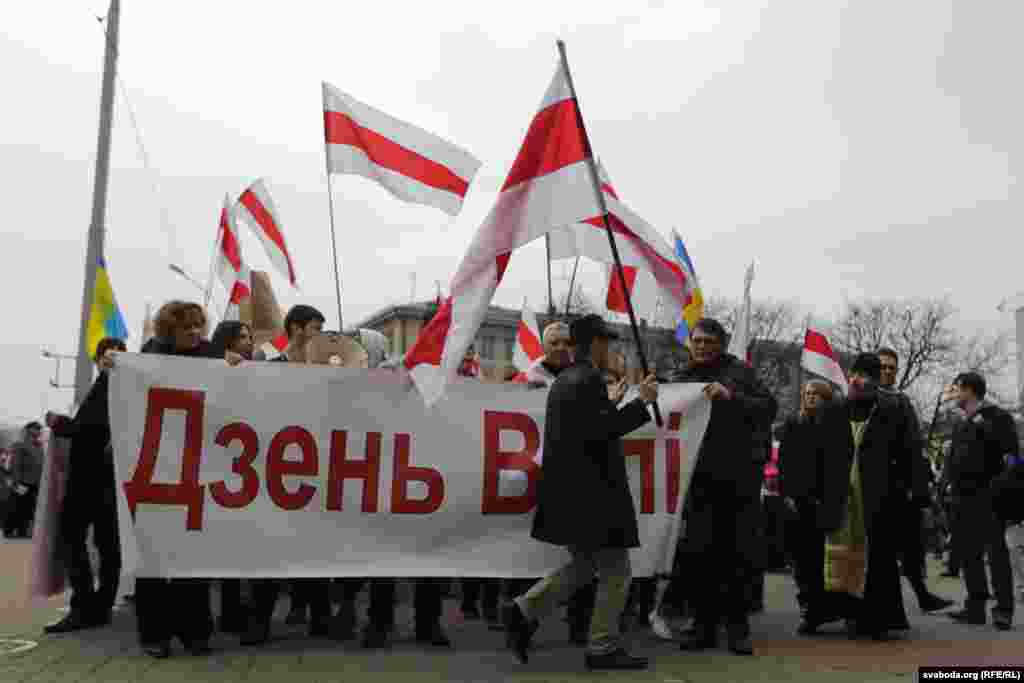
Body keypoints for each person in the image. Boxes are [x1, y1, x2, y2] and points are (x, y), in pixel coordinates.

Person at [502, 314, 659, 671]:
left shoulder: (570, 379)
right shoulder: (586, 379)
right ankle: (601, 647)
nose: (611, 349)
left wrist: (613, 404)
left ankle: (523, 610)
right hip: (593, 494)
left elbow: (588, 429)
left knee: (586, 566)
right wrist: (643, 402)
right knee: (616, 571)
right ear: (597, 343)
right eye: (608, 342)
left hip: (575, 493)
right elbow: (602, 432)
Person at [672, 318, 778, 656]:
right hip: (698, 479)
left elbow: (768, 407)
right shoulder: (683, 378)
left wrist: (730, 396)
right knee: (699, 554)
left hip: (737, 480)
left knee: (736, 555)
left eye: (709, 342)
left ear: (721, 344)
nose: (702, 347)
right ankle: (702, 626)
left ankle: (737, 628)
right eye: (697, 341)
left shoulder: (740, 373)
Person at [134, 301, 218, 658]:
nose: (196, 332)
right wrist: (111, 365)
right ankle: (155, 634)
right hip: (155, 471)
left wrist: (236, 367)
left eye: (199, 325)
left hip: (198, 468)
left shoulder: (213, 356)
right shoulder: (147, 358)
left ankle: (195, 632)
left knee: (193, 556)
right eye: (187, 327)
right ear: (169, 331)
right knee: (154, 556)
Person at [819, 352, 914, 641]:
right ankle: (848, 614)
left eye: (864, 376)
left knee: (879, 558)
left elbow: (908, 451)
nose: (857, 380)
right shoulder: (836, 408)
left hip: (879, 496)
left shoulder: (893, 409)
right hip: (842, 496)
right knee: (843, 555)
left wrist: (911, 491)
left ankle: (879, 619)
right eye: (855, 374)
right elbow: (821, 453)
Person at [43, 337, 126, 634]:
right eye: (108, 354)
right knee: (107, 544)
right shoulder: (113, 387)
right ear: (98, 359)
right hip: (106, 480)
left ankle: (85, 607)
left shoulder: (112, 386)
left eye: (118, 353)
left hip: (91, 480)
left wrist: (59, 423)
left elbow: (88, 430)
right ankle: (99, 606)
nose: (112, 358)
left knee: (76, 539)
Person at [877, 348, 952, 613]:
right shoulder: (866, 399)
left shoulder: (902, 400)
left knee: (911, 546)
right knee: (882, 550)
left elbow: (914, 446)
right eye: (883, 366)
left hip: (903, 487)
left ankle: (922, 596)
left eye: (892, 367)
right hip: (877, 486)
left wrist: (920, 487)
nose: (888, 371)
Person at [944, 371, 1018, 631]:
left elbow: (1012, 456)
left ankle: (1003, 610)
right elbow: (954, 459)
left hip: (989, 497)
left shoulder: (998, 417)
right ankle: (975, 607)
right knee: (968, 554)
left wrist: (1000, 487)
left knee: (995, 553)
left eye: (956, 388)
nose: (953, 393)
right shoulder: (960, 422)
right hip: (961, 498)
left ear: (969, 390)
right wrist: (947, 485)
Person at [777, 380, 844, 634]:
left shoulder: (834, 426)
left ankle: (825, 608)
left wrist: (831, 497)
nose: (810, 397)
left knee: (823, 558)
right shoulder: (794, 423)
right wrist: (787, 493)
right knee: (802, 559)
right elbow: (784, 462)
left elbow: (837, 465)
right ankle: (810, 609)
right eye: (806, 393)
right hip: (798, 501)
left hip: (824, 501)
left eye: (816, 394)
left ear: (825, 398)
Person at [207, 321, 254, 634]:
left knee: (237, 545)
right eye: (243, 337)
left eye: (250, 337)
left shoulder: (255, 369)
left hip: (244, 467)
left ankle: (232, 612)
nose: (248, 342)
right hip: (218, 464)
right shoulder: (209, 366)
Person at [4, 422, 45, 539]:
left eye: (39, 429)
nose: (38, 431)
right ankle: (9, 530)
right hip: (22, 481)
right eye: (35, 428)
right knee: (16, 506)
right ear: (28, 430)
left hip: (34, 482)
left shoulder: (39, 446)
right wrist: (16, 481)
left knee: (28, 507)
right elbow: (16, 463)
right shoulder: (20, 444)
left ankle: (23, 530)